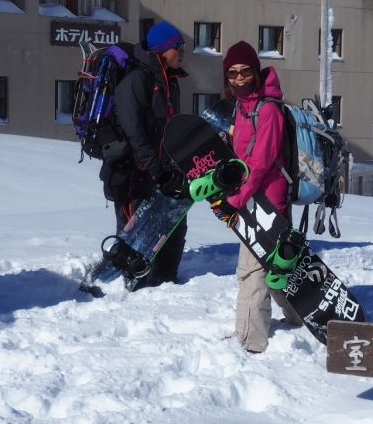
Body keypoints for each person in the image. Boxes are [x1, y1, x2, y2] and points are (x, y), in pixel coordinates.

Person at [210, 41, 303, 353]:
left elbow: (260, 163)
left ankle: (252, 341)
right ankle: (299, 313)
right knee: (271, 266)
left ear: (256, 71)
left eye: (245, 71)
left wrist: (235, 201)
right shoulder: (243, 107)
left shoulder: (268, 110)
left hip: (267, 202)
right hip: (250, 198)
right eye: (232, 73)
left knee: (253, 271)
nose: (238, 78)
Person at [100, 20, 189, 286]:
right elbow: (133, 131)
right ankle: (121, 286)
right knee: (134, 234)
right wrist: (155, 169)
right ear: (162, 49)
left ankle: (163, 283)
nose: (182, 51)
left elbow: (169, 129)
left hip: (161, 172)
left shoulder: (170, 81)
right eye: (177, 46)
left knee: (173, 227)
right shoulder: (137, 79)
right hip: (133, 175)